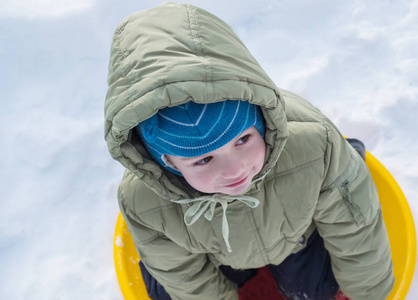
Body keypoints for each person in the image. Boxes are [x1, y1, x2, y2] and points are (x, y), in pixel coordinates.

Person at [104, 2, 394, 300]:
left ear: (261, 121)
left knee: (321, 290)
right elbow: (183, 275)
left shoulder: (313, 146)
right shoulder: (146, 202)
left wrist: (367, 294)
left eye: (242, 140)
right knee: (164, 290)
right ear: (168, 164)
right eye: (204, 159)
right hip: (218, 254)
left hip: (297, 235)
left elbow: (356, 228)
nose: (235, 170)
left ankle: (349, 159)